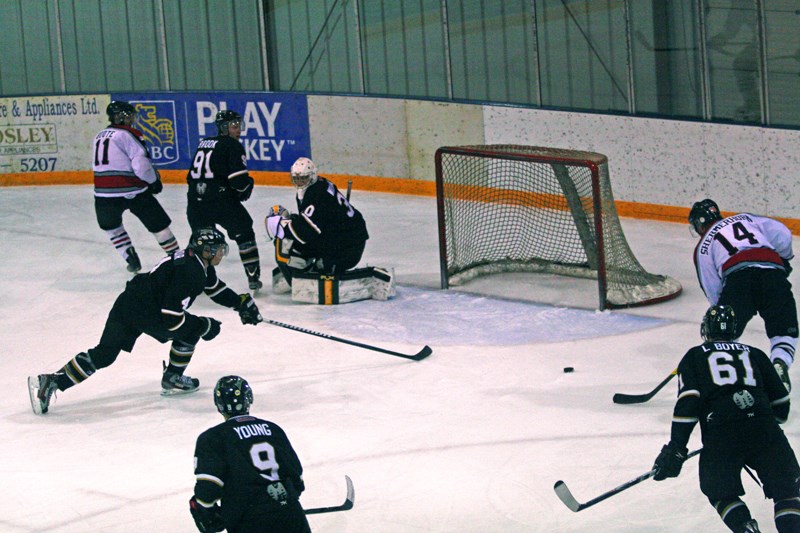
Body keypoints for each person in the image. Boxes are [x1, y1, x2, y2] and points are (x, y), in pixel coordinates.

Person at [27, 228, 263, 415]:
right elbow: (171, 319)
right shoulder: (190, 273)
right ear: (206, 251)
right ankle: (172, 378)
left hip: (129, 302)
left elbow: (214, 287)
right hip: (149, 313)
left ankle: (53, 381)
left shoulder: (195, 262)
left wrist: (240, 303)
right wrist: (204, 326)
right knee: (190, 331)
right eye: (218, 249)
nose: (222, 254)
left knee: (105, 354)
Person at [652, 305, 799, 533]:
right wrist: (762, 422)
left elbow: (689, 402)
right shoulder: (756, 354)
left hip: (722, 430)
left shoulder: (694, 355)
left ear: (706, 330)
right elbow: (781, 405)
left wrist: (677, 447)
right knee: (787, 490)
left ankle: (746, 528)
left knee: (719, 491)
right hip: (764, 427)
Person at [689, 198, 797, 392]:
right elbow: (782, 233)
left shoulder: (704, 245)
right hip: (773, 273)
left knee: (724, 336)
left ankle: (730, 376)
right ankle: (780, 362)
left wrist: (723, 314)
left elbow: (711, 286)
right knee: (783, 328)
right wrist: (784, 257)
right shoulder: (746, 218)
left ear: (700, 223)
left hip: (739, 280)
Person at [190, 375, 311, 533]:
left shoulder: (213, 438)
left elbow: (207, 491)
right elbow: (297, 481)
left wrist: (209, 513)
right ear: (249, 399)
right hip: (291, 514)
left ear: (218, 405)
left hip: (249, 521)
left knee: (195, 503)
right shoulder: (274, 429)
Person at [92, 101, 180, 273]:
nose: (133, 118)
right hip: (133, 190)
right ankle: (177, 259)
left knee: (112, 227)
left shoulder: (99, 135)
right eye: (130, 115)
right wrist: (153, 180)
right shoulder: (128, 134)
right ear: (123, 117)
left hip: (103, 194)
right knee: (159, 226)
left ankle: (128, 255)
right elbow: (141, 165)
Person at [265, 157, 369, 292]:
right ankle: (308, 267)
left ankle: (316, 268)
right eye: (296, 179)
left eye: (303, 178)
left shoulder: (316, 194)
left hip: (347, 249)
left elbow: (305, 234)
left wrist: (283, 225)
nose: (300, 182)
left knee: (285, 239)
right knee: (291, 232)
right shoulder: (318, 185)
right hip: (343, 238)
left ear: (313, 176)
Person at [186, 109, 262, 291]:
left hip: (195, 203)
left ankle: (200, 282)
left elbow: (190, 177)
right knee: (244, 232)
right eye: (234, 126)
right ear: (224, 128)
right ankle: (253, 277)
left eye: (239, 125)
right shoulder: (232, 145)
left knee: (203, 243)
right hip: (220, 202)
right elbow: (239, 182)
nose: (239, 130)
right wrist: (247, 185)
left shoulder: (204, 143)